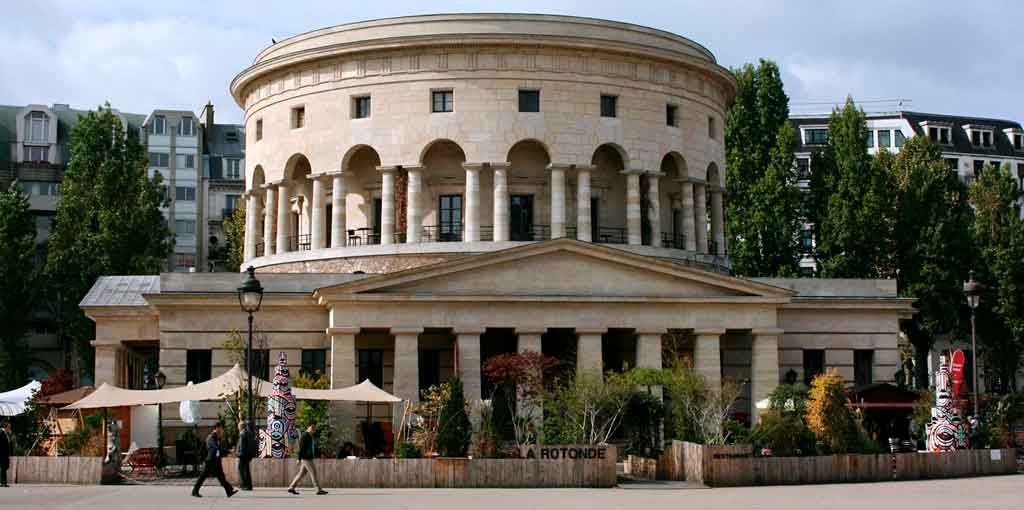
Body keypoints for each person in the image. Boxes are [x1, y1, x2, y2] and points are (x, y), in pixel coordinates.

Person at [192, 423, 237, 498]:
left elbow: (218, 449)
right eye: (221, 428)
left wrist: (226, 452)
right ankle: (195, 491)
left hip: (216, 460)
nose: (222, 430)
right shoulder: (211, 437)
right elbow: (216, 448)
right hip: (211, 460)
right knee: (203, 476)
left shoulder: (217, 437)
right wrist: (229, 451)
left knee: (221, 476)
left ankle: (229, 491)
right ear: (217, 428)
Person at [287, 423, 327, 495]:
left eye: (314, 428)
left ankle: (291, 487)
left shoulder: (310, 436)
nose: (314, 430)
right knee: (313, 472)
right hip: (306, 458)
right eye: (313, 428)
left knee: (301, 474)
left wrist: (320, 454)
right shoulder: (304, 436)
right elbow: (301, 448)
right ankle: (318, 489)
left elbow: (313, 447)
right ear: (309, 427)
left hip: (308, 457)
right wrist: (299, 458)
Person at [236, 422, 254, 490]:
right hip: (247, 454)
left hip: (243, 455)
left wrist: (240, 453)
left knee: (242, 470)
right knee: (246, 470)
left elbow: (242, 445)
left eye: (238, 426)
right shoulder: (248, 433)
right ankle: (248, 485)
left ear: (241, 427)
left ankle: (245, 484)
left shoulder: (242, 434)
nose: (238, 428)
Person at [0, 421, 11, 487]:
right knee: (3, 468)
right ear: (5, 427)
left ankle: (3, 482)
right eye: (9, 427)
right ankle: (3, 483)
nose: (10, 428)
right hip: (2, 453)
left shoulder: (5, 433)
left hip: (4, 453)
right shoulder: (1, 433)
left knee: (4, 467)